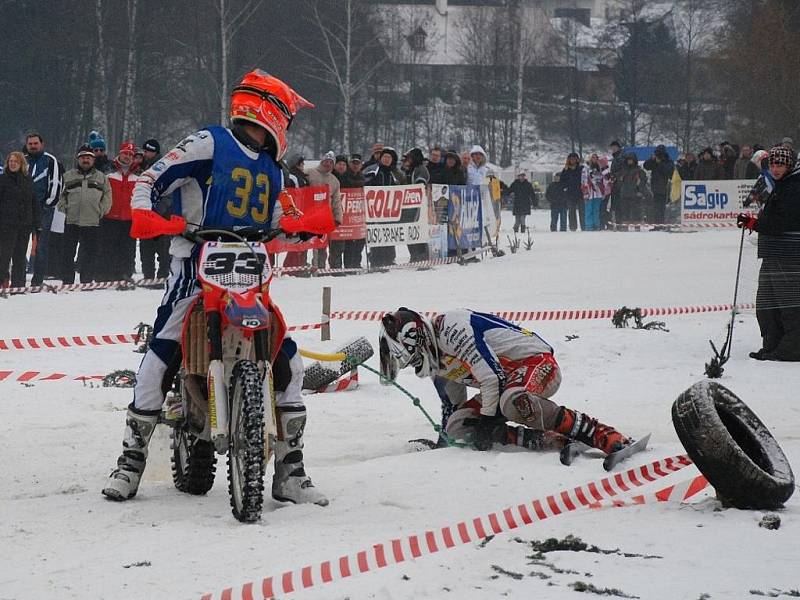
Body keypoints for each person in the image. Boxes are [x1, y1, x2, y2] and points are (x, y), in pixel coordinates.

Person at [102, 69, 330, 506]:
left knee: (291, 364)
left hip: (250, 277)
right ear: (273, 111)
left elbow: (280, 217)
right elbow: (152, 178)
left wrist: (304, 227)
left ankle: (290, 470)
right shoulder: (209, 142)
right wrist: (147, 213)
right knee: (156, 363)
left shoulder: (273, 168)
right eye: (289, 117)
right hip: (194, 269)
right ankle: (130, 460)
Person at [378, 308, 631, 454]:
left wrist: (488, 422)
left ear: (416, 340)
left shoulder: (451, 328)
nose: (412, 366)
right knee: (458, 428)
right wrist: (449, 442)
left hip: (537, 363)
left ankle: (597, 432)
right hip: (505, 383)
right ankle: (541, 440)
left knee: (514, 401)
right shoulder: (436, 358)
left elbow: (491, 377)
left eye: (409, 359)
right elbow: (453, 407)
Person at [737, 145, 800, 361]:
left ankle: (792, 349)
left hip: (789, 254)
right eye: (773, 164)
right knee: (766, 303)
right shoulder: (782, 185)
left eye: (780, 164)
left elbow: (779, 223)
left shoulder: (794, 187)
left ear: (789, 165)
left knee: (788, 304)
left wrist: (752, 223)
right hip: (772, 253)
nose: (775, 169)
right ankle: (772, 344)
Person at [57, 145, 111, 284]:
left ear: (93, 159)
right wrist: (64, 208)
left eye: (88, 157)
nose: (85, 160)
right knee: (67, 253)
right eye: (82, 157)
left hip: (92, 221)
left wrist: (101, 210)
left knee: (90, 253)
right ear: (78, 159)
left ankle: (86, 280)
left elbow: (107, 196)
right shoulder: (68, 176)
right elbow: (60, 195)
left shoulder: (102, 177)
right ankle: (67, 281)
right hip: (72, 220)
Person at [25, 133, 61, 287]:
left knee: (41, 245)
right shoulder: (23, 160)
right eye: (30, 143)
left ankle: (37, 280)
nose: (33, 146)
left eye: (35, 143)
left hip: (43, 209)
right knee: (19, 244)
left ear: (42, 144)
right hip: (24, 209)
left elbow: (56, 184)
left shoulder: (50, 160)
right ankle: (19, 279)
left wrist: (49, 204)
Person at [100, 141, 139, 281]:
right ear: (119, 154)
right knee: (109, 247)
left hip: (129, 218)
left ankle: (126, 275)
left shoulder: (138, 176)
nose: (127, 157)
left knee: (128, 248)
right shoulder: (108, 173)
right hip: (110, 217)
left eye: (130, 154)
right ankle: (107, 275)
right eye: (125, 154)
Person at [0, 152, 39, 290]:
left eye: (15, 161)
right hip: (6, 224)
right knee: (4, 255)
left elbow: (33, 202)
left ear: (21, 163)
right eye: (10, 161)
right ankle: (2, 281)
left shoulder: (28, 180)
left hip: (24, 224)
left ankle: (18, 284)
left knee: (20, 256)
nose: (12, 163)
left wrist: (36, 223)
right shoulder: (3, 179)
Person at [364, 146, 404, 267]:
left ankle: (389, 258)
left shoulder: (394, 173)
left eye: (389, 157)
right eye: (385, 157)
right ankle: (376, 259)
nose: (387, 159)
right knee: (377, 234)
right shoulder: (374, 170)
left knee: (389, 233)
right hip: (374, 209)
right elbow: (365, 182)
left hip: (390, 209)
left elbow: (403, 184)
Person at [137, 139, 170, 282]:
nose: (145, 154)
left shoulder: (164, 167)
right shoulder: (141, 167)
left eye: (147, 151)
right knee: (146, 248)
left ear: (154, 152)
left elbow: (169, 191)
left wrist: (160, 209)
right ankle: (148, 276)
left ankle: (162, 276)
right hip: (145, 213)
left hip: (162, 213)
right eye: (144, 151)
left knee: (163, 248)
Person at [307, 151, 343, 270]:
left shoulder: (334, 180)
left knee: (321, 245)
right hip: (307, 215)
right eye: (326, 161)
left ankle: (320, 267)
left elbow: (336, 201)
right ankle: (300, 268)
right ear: (322, 161)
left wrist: (338, 218)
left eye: (331, 162)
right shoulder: (310, 173)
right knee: (303, 244)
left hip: (324, 217)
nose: (328, 164)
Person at [402, 147, 430, 262]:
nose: (406, 161)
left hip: (418, 206)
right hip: (408, 206)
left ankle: (421, 256)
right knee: (410, 231)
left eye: (408, 158)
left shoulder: (421, 169)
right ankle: (414, 255)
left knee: (418, 230)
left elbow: (420, 185)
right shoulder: (409, 171)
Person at [643, 144, 674, 224]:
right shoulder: (654, 160)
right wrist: (652, 159)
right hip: (655, 187)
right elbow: (646, 166)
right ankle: (657, 224)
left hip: (665, 187)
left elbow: (669, 172)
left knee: (662, 208)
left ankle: (661, 224)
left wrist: (660, 163)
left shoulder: (668, 161)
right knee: (656, 207)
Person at [615, 152, 649, 224]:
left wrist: (640, 190)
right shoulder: (623, 171)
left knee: (636, 212)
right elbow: (619, 181)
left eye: (631, 160)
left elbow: (643, 181)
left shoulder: (639, 170)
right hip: (625, 194)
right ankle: (625, 226)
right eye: (628, 160)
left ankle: (637, 226)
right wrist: (621, 186)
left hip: (635, 194)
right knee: (625, 212)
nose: (629, 161)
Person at [581, 154, 608, 231]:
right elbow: (584, 181)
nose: (594, 159)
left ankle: (597, 224)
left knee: (596, 209)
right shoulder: (586, 168)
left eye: (596, 158)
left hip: (598, 192)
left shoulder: (600, 168)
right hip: (589, 192)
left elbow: (604, 179)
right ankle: (589, 225)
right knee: (589, 209)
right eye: (592, 157)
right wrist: (585, 192)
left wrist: (604, 191)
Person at [560, 152, 583, 231]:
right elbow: (562, 181)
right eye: (571, 159)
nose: (572, 160)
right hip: (570, 193)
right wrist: (565, 188)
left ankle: (584, 226)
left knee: (582, 211)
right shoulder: (566, 169)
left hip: (580, 192)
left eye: (574, 159)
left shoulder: (581, 168)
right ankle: (573, 227)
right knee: (571, 211)